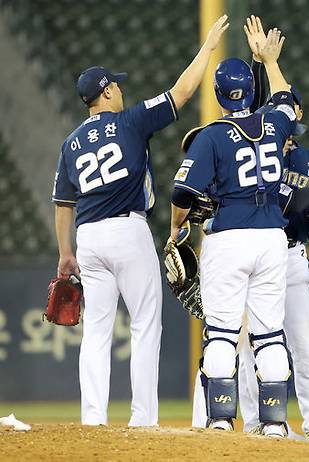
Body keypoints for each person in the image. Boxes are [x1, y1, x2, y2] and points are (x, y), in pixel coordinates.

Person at [51, 16, 229, 427]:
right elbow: (182, 92)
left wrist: (65, 254)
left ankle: (92, 419)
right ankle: (142, 419)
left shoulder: (70, 143)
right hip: (127, 231)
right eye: (117, 84)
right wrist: (207, 49)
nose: (122, 89)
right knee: (145, 324)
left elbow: (63, 202)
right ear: (108, 91)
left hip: (88, 237)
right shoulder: (130, 121)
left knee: (95, 332)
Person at [169, 27, 304, 438]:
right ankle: (275, 424)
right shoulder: (274, 122)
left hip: (229, 234)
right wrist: (270, 61)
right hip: (271, 239)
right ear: (250, 90)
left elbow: (182, 191)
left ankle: (222, 419)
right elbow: (287, 102)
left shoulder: (210, 136)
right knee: (269, 333)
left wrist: (176, 227)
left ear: (217, 95)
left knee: (223, 330)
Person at [232, 15, 309, 443]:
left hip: (293, 257)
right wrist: (258, 63)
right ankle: (255, 422)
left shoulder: (304, 156)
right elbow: (299, 200)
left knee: (304, 346)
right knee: (254, 346)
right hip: (263, 252)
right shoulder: (259, 145)